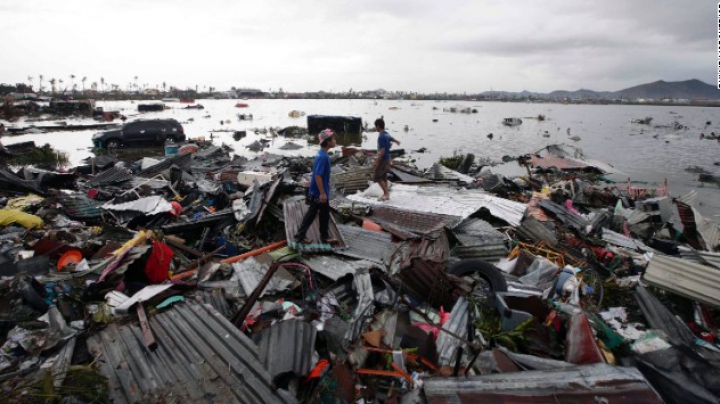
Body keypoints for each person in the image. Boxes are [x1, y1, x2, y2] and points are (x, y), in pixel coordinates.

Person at [294, 129, 337, 244]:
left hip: (316, 190)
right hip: (320, 192)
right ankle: (302, 236)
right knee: (315, 215)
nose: (335, 141)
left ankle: (319, 237)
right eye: (333, 139)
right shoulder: (324, 157)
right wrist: (322, 193)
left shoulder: (320, 153)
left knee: (321, 214)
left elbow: (316, 173)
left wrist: (311, 182)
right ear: (328, 142)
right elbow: (318, 175)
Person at [373, 118, 400, 201]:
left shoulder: (381, 136)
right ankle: (386, 193)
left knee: (377, 177)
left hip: (383, 159)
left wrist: (376, 162)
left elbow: (382, 151)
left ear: (378, 126)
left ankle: (386, 193)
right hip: (387, 158)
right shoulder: (386, 134)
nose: (375, 128)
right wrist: (396, 141)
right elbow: (391, 138)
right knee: (384, 176)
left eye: (375, 126)